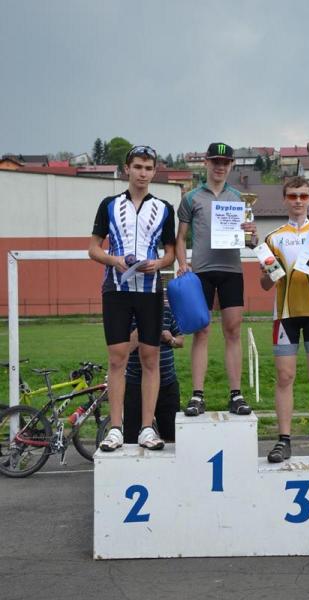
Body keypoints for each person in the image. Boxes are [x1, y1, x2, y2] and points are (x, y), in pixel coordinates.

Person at [89, 145, 175, 451]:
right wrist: (114, 260)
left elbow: (171, 253)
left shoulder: (164, 208)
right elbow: (93, 248)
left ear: (154, 171)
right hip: (116, 289)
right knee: (117, 357)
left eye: (148, 168)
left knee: (150, 357)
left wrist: (159, 263)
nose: (142, 173)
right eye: (137, 167)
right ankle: (115, 428)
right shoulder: (109, 205)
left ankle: (146, 429)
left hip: (150, 290)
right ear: (127, 169)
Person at [260, 175, 309, 463]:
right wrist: (269, 274)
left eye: (303, 196)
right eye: (293, 196)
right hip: (284, 315)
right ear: (285, 199)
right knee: (285, 377)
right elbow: (265, 285)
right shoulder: (273, 238)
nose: (298, 201)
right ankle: (284, 440)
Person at [176, 142, 258, 417]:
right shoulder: (191, 198)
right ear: (206, 163)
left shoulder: (240, 199)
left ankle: (236, 394)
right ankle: (197, 395)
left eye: (225, 162)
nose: (220, 166)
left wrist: (252, 234)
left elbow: (250, 240)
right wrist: (182, 264)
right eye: (215, 161)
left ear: (231, 165)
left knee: (233, 331)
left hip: (231, 271)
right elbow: (180, 237)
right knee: (201, 331)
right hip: (201, 272)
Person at [124, 303, 184, 443]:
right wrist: (143, 329)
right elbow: (124, 350)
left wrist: (170, 339)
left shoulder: (166, 311)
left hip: (167, 383)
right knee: (132, 439)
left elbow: (181, 341)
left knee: (172, 436)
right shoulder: (128, 314)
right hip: (136, 385)